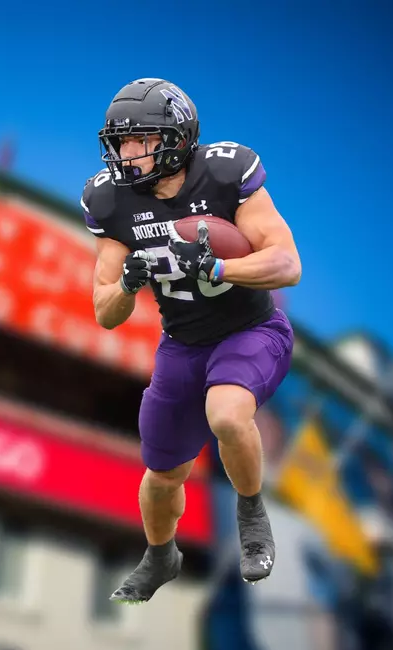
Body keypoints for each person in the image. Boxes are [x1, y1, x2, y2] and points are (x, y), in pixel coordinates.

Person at [82, 78, 301, 601]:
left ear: (177, 139)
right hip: (182, 343)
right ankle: (161, 556)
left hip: (250, 329)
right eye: (121, 141)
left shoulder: (227, 172)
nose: (127, 154)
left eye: (141, 140)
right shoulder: (110, 201)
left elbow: (287, 264)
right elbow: (105, 311)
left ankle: (251, 514)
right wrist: (131, 283)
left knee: (227, 413)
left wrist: (220, 264)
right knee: (162, 475)